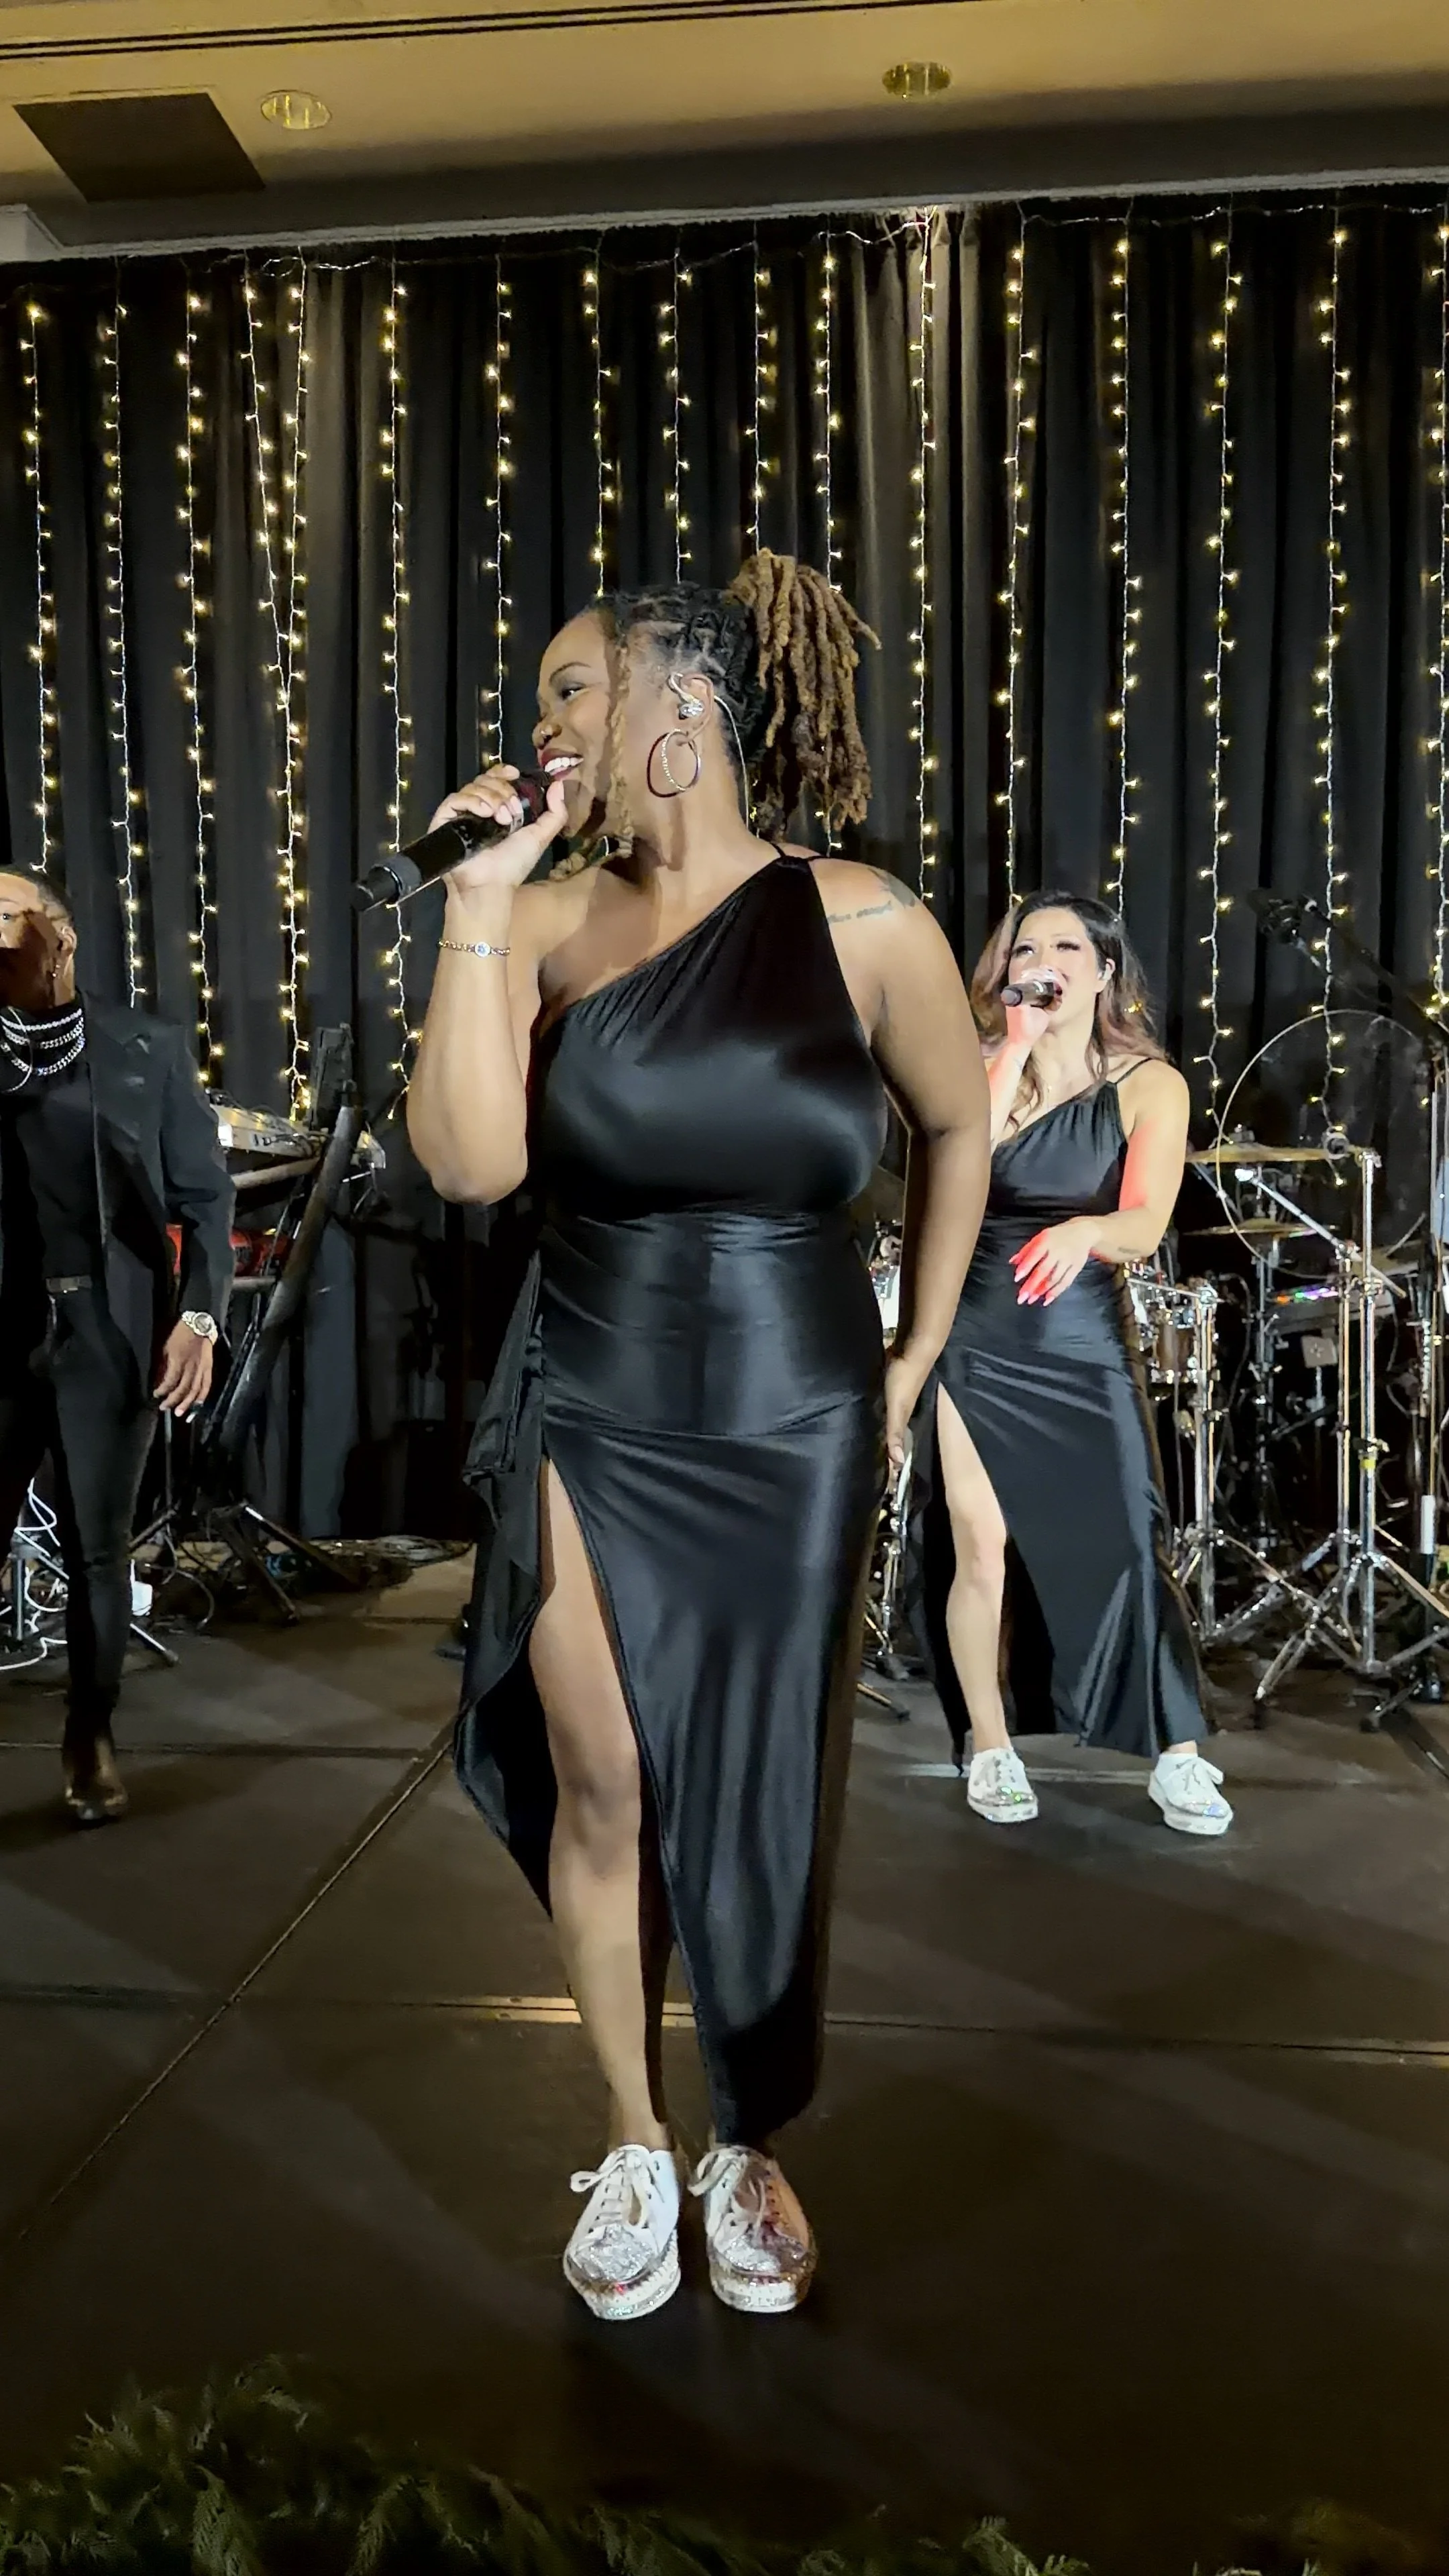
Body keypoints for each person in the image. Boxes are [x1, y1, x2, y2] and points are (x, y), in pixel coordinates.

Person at [408, 552, 989, 2320]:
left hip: (800, 1404)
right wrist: (477, 904)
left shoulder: (866, 921)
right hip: (591, 1380)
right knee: (608, 1773)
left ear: (685, 706)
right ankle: (635, 2135)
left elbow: (959, 1131)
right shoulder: (550, 922)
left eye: (573, 689)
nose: (543, 722)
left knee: (761, 1791)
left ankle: (753, 2137)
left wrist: (915, 1357)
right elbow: (469, 1166)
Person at [910, 889, 1232, 1839]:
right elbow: (950, 1184)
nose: (1039, 961)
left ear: (1101, 971)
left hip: (1077, 1335)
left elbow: (1146, 1222)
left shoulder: (1149, 1085)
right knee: (978, 1544)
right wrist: (1014, 1048)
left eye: (1061, 947)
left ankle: (1175, 1754)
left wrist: (1089, 1226)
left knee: (1130, 1541)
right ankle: (993, 1743)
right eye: (1023, 949)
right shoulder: (976, 1068)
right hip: (976, 1328)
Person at [0, 875, 234, 1825]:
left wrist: (200, 1317)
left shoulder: (145, 1048)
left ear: (58, 932)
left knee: (100, 1551)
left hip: (105, 1330)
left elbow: (206, 1200)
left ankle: (89, 1739)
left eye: (6, 911)